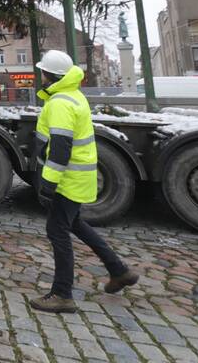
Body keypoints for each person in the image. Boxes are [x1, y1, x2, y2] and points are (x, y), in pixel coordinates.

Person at [29, 50, 140, 313]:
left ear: (49, 75)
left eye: (42, 72)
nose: (40, 76)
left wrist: (49, 183)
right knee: (75, 223)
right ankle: (119, 270)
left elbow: (60, 148)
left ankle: (62, 294)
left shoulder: (59, 103)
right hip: (79, 178)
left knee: (57, 231)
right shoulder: (73, 97)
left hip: (67, 180)